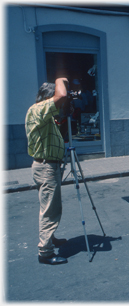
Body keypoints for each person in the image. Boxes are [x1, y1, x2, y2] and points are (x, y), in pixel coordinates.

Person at [25, 77, 70, 265]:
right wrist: (61, 79)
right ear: (48, 97)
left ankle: (50, 238)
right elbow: (62, 94)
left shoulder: (44, 114)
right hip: (46, 167)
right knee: (49, 210)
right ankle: (45, 252)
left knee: (50, 207)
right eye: (54, 99)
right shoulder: (38, 109)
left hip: (48, 165)